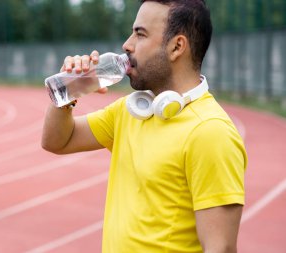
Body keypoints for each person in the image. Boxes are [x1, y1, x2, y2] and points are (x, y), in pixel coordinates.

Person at [41, 0, 247, 252]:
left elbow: (221, 248)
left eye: (140, 34)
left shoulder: (210, 132)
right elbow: (57, 141)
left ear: (176, 47)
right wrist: (67, 92)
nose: (127, 45)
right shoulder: (132, 111)